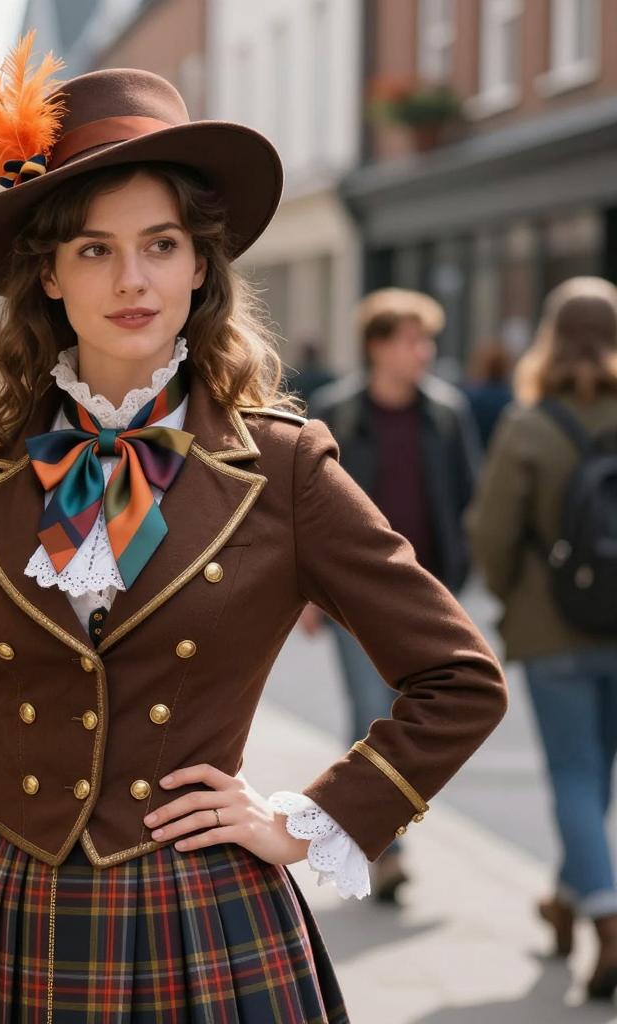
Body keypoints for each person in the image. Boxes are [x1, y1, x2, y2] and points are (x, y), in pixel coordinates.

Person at [0, 32, 507, 1023]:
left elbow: (459, 677)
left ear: (197, 268)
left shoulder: (283, 465)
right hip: (2, 915)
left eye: (160, 245)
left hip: (204, 918)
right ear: (48, 274)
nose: (131, 278)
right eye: (94, 248)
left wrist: (307, 819)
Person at [302, 288, 483, 902]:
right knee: (368, 716)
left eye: (427, 340)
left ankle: (382, 835)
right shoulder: (337, 414)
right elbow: (309, 516)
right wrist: (306, 594)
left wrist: (462, 579)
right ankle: (387, 850)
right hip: (355, 599)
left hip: (429, 595)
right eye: (412, 339)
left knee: (423, 715)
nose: (424, 352)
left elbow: (468, 498)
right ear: (378, 345)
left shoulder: (447, 413)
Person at [466, 276, 617, 1001]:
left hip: (552, 629)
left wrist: (512, 596)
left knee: (574, 776)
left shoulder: (529, 426)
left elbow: (490, 535)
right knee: (597, 780)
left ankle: (604, 913)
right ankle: (568, 900)